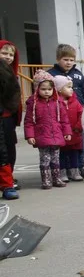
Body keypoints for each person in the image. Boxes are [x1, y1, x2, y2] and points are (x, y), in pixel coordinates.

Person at [48, 44, 84, 178]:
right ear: (58, 59)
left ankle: (79, 166)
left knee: (79, 143)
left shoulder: (78, 74)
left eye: (72, 60)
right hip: (60, 117)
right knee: (62, 146)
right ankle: (62, 169)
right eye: (65, 59)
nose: (69, 62)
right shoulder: (51, 74)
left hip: (77, 114)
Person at [24, 71, 70, 189]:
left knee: (55, 158)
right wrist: (30, 136)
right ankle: (46, 180)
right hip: (42, 135)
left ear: (53, 89)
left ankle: (56, 178)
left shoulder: (57, 102)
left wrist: (67, 132)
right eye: (43, 89)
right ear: (37, 88)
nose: (46, 92)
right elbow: (29, 121)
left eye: (49, 89)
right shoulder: (33, 103)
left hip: (56, 135)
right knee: (45, 159)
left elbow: (64, 119)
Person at [52, 75, 83, 183]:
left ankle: (75, 170)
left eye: (71, 87)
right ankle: (63, 171)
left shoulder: (75, 101)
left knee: (74, 152)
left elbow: (81, 114)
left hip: (74, 132)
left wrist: (79, 126)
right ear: (59, 89)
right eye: (68, 87)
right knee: (62, 153)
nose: (71, 89)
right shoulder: (55, 102)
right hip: (61, 134)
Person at [0, 40, 21, 199]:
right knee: (3, 152)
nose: (8, 57)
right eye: (4, 53)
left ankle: (8, 181)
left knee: (9, 150)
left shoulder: (12, 73)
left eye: (11, 54)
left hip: (8, 118)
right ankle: (6, 184)